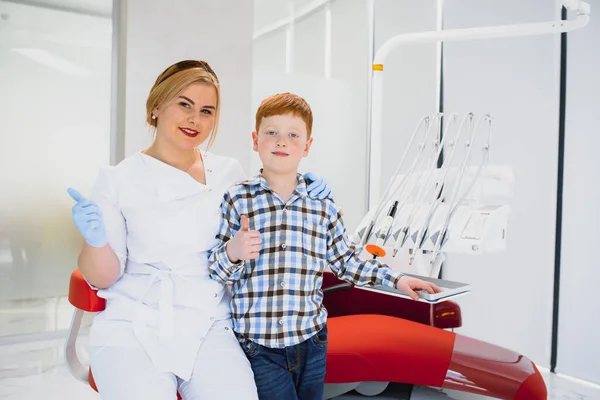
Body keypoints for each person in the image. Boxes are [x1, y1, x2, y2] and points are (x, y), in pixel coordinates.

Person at [66, 61, 332, 400]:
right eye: (184, 104)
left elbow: (267, 204)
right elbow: (104, 277)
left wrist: (302, 186)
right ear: (156, 107)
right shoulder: (117, 180)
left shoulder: (227, 171)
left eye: (207, 111)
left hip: (209, 323)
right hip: (134, 324)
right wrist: (96, 242)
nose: (195, 119)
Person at [207, 92, 442, 400]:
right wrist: (233, 253)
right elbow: (215, 269)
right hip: (259, 345)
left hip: (311, 342)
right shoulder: (237, 199)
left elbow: (348, 261)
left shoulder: (322, 206)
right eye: (271, 133)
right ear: (255, 140)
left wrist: (397, 279)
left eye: (293, 135)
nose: (281, 142)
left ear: (306, 146)